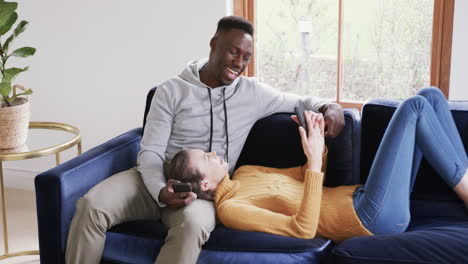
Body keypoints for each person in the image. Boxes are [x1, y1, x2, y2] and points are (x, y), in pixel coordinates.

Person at [65, 16, 345, 264]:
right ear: (214, 44)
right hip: (154, 176)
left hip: (202, 191)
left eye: (246, 57)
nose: (239, 63)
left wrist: (331, 108)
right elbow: (149, 152)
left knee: (193, 226)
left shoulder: (252, 93)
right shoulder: (171, 91)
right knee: (90, 206)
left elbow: (306, 100)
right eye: (234, 52)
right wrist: (160, 190)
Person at [168, 87, 468, 242]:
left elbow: (305, 177)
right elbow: (303, 229)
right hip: (369, 220)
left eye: (207, 151)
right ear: (204, 184)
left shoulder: (245, 172)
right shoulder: (231, 210)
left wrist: (316, 144)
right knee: (413, 107)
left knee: (431, 96)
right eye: (206, 159)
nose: (212, 153)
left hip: (363, 197)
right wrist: (312, 160)